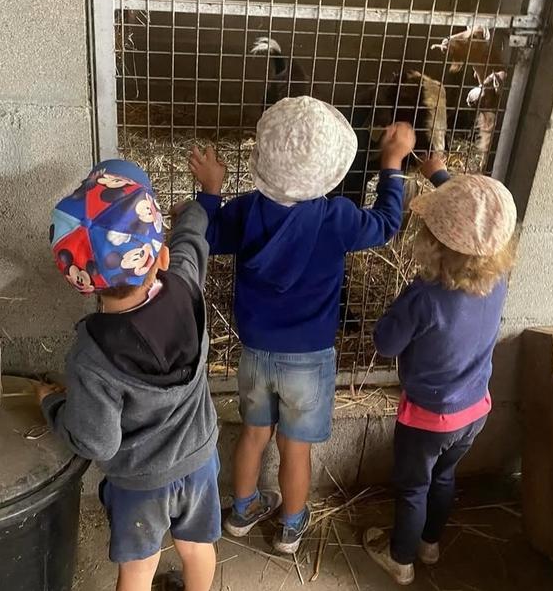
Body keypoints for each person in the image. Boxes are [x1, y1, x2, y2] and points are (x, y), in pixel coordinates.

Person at [188, 95, 413, 554]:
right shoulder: (337, 218)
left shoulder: (247, 210)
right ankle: (291, 526)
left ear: (262, 159)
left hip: (254, 351)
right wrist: (392, 164)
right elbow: (388, 223)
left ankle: (241, 511)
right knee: (295, 447)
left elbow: (206, 236)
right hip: (309, 359)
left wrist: (211, 190)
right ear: (330, 169)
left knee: (254, 433)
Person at [37, 160, 220, 591]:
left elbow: (96, 440)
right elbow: (193, 242)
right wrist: (197, 205)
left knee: (140, 566)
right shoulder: (187, 285)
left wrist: (51, 405)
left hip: (141, 481)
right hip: (199, 458)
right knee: (197, 546)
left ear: (83, 284)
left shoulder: (91, 358)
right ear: (162, 257)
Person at [363, 158, 518, 585]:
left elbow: (385, 344)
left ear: (433, 241)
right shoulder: (498, 279)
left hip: (428, 417)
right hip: (475, 410)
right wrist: (440, 176)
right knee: (444, 477)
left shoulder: (423, 296)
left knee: (413, 487)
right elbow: (475, 222)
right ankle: (430, 545)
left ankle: (401, 558)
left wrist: (390, 316)